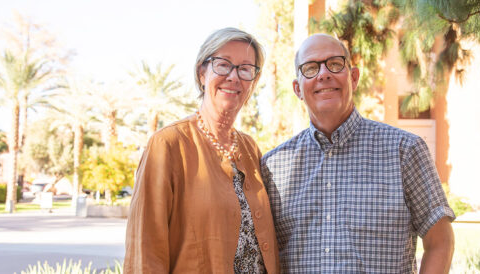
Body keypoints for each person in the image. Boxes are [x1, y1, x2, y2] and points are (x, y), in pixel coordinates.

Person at [261, 34, 455, 273]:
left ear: (353, 78)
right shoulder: (273, 166)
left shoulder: (404, 151)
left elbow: (440, 243)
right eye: (310, 68)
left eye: (334, 64)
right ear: (297, 89)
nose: (323, 74)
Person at [124, 28, 279, 273]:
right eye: (223, 65)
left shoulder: (251, 149)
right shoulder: (168, 145)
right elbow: (145, 252)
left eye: (245, 69)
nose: (234, 76)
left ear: (253, 82)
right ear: (202, 73)